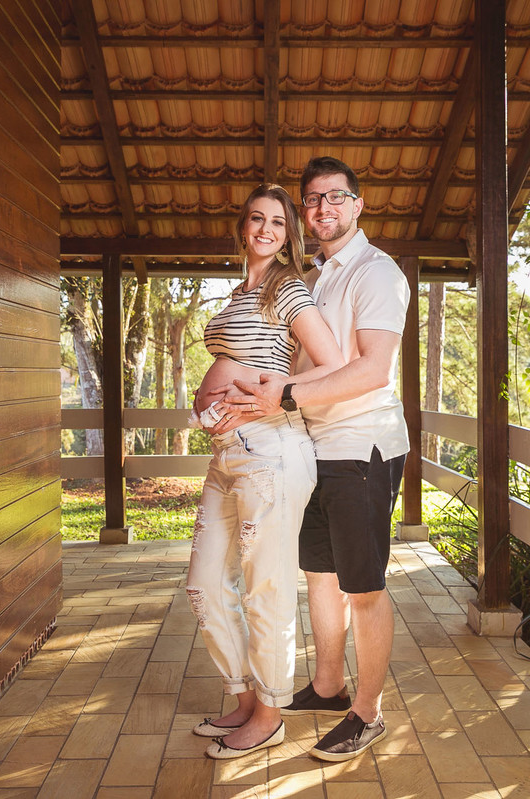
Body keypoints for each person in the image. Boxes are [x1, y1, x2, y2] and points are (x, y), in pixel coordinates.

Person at [217, 156, 410, 762]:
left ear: (358, 204)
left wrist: (284, 396)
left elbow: (373, 370)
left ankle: (368, 713)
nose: (323, 207)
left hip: (361, 446)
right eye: (313, 199)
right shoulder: (313, 275)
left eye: (335, 196)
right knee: (320, 576)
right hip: (312, 446)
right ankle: (329, 687)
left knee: (363, 587)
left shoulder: (377, 273)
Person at [184, 183, 344, 760]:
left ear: (288, 235)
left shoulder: (287, 289)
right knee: (204, 584)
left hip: (271, 453)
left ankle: (270, 713)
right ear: (243, 227)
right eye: (257, 218)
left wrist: (275, 394)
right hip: (227, 455)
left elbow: (332, 362)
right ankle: (244, 696)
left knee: (265, 587)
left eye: (278, 221)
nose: (266, 229)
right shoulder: (239, 293)